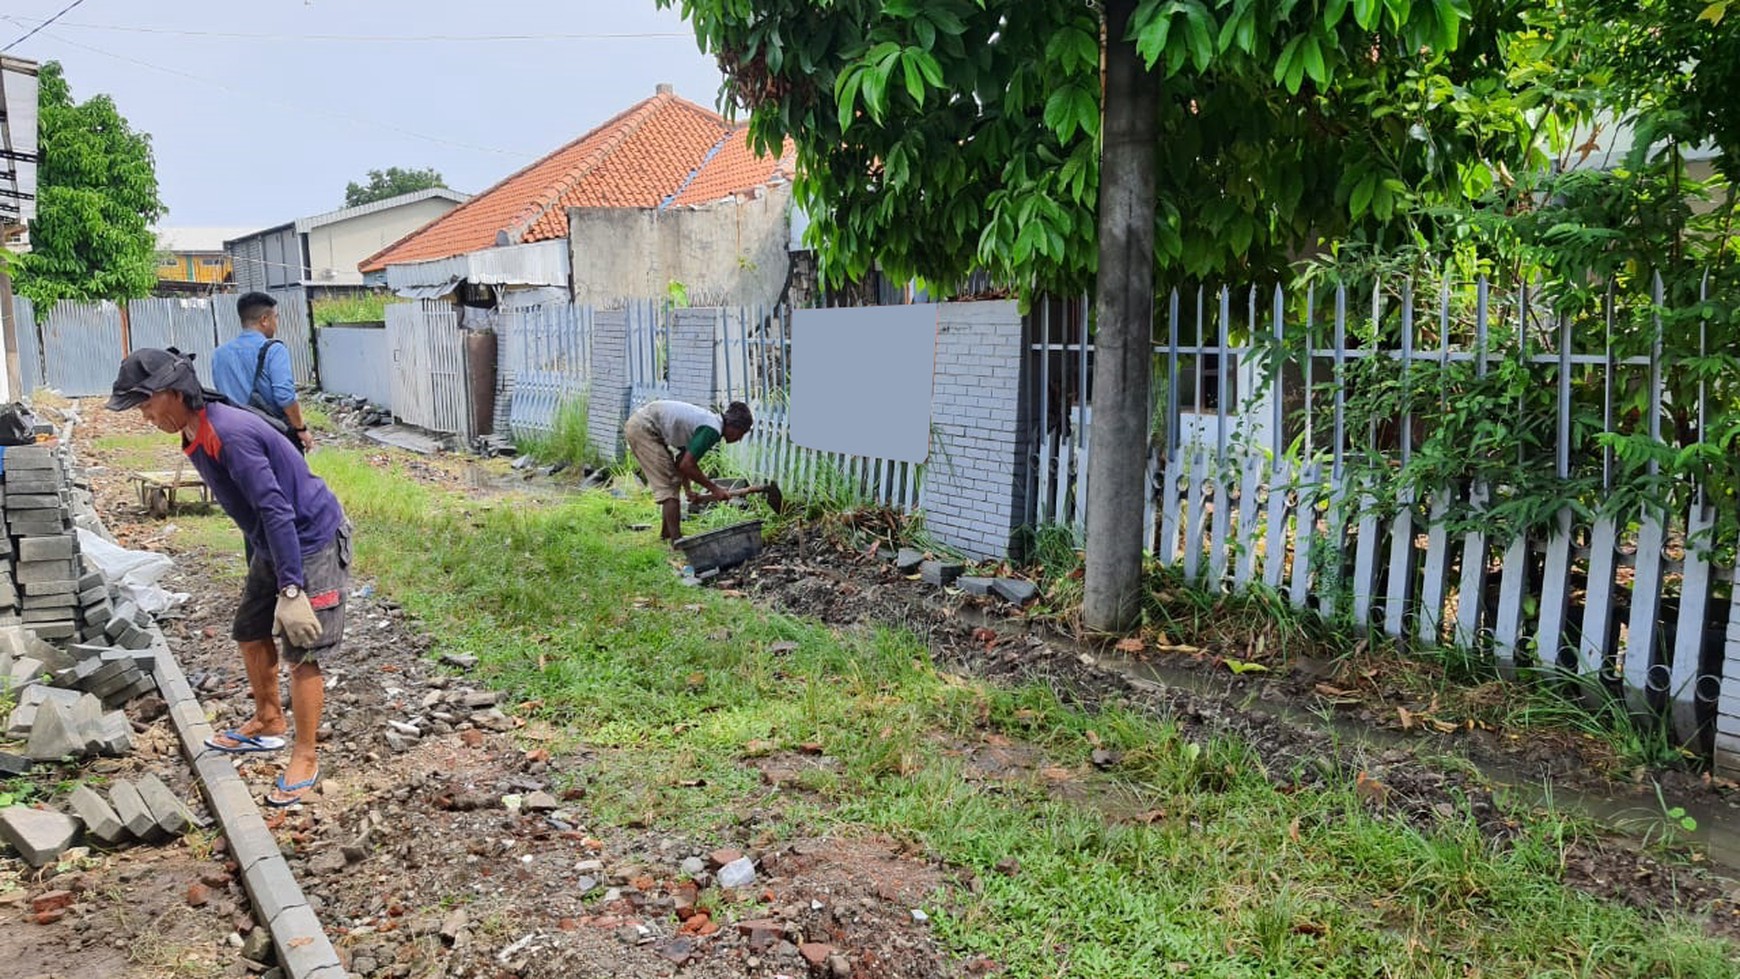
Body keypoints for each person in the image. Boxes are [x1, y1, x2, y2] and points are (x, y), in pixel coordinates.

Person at [107, 348, 350, 808]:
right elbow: (252, 510)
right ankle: (268, 720)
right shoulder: (194, 428)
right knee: (248, 630)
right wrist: (265, 565)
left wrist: (292, 588)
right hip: (271, 540)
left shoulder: (230, 433)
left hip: (309, 537)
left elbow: (277, 508)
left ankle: (305, 753)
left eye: (144, 404)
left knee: (302, 648)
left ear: (174, 393)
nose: (143, 416)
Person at [623, 399, 753, 541]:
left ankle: (667, 535)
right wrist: (715, 489)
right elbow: (687, 465)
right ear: (733, 426)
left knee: (672, 482)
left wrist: (688, 490)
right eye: (741, 433)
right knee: (668, 484)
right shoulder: (711, 429)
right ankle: (677, 541)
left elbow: (681, 461)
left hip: (645, 426)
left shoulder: (709, 423)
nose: (739, 439)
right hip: (644, 429)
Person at [212, 291, 315, 452]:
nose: (277, 322)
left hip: (232, 437)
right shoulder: (274, 350)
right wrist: (301, 429)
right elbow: (285, 396)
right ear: (264, 320)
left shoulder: (219, 354)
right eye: (276, 317)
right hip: (271, 436)